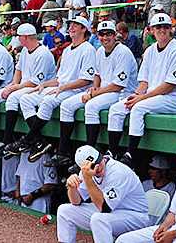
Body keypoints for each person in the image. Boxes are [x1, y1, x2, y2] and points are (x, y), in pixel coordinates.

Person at [5, 16, 96, 162]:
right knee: (26, 98)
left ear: (84, 29)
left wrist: (62, 87)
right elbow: (60, 78)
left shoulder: (88, 49)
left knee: (48, 101)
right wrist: (45, 84)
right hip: (62, 88)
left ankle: (31, 139)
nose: (71, 27)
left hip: (77, 90)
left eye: (76, 25)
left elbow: (86, 80)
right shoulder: (67, 50)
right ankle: (40, 141)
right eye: (70, 24)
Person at [107, 13, 176, 167]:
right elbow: (144, 81)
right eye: (158, 27)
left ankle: (130, 154)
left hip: (172, 99)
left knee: (138, 108)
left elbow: (170, 85)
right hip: (153, 97)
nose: (162, 30)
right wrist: (137, 94)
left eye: (165, 26)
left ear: (171, 29)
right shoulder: (150, 50)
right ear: (151, 30)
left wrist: (141, 99)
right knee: (117, 108)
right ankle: (113, 152)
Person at [49, 21, 138, 166]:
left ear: (115, 35)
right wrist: (93, 89)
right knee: (66, 105)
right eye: (102, 34)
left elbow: (117, 85)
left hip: (122, 92)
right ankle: (63, 152)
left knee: (91, 106)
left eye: (108, 34)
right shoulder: (100, 51)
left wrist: (93, 94)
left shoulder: (123, 52)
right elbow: (97, 74)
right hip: (104, 91)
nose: (105, 37)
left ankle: (93, 149)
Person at [0, 23, 56, 156]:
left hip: (42, 87)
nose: (17, 39)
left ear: (26, 37)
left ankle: (10, 140)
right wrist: (13, 86)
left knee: (14, 98)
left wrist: (14, 88)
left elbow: (35, 82)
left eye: (19, 36)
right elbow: (19, 71)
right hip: (25, 86)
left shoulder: (43, 53)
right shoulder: (24, 51)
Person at [57, 145, 150, 243]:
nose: (97, 168)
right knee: (64, 210)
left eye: (97, 162)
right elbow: (76, 202)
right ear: (84, 168)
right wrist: (72, 188)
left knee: (99, 219)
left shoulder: (118, 172)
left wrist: (88, 179)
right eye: (92, 166)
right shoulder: (86, 172)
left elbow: (104, 208)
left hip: (135, 217)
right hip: (113, 213)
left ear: (101, 156)